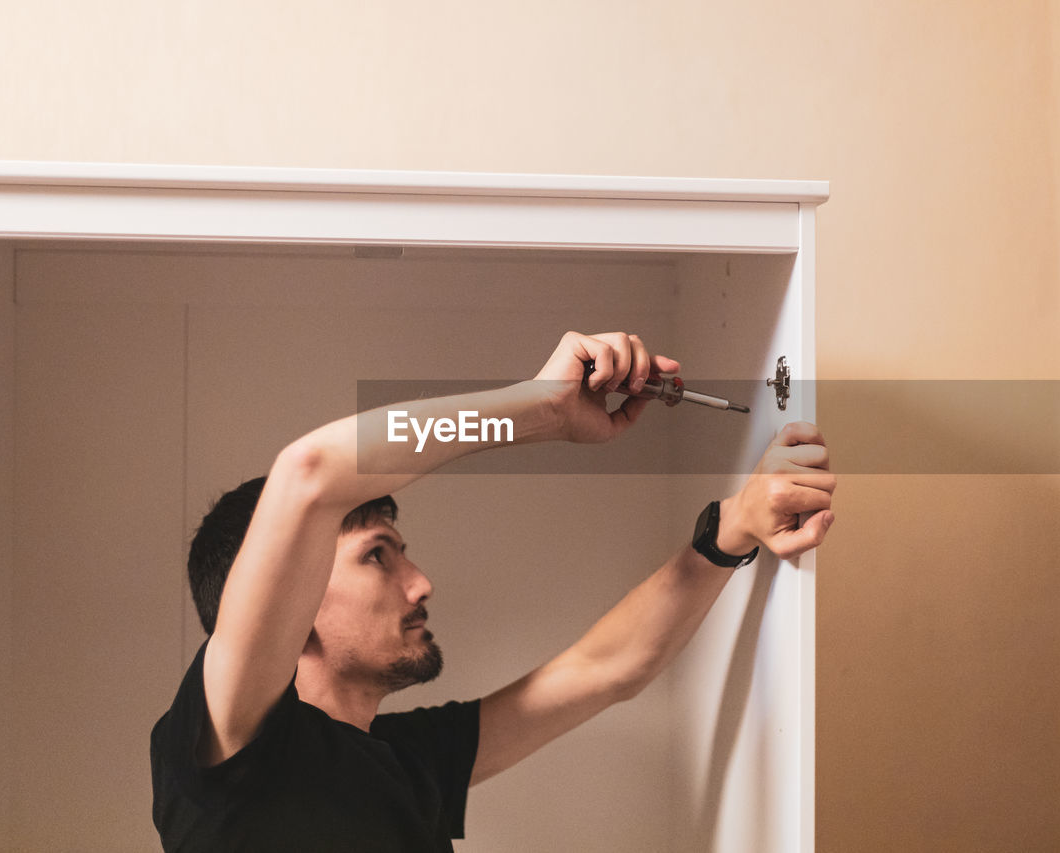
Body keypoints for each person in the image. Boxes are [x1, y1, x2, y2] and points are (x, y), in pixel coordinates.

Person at [150, 331, 835, 852]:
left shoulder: (405, 761)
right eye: (376, 555)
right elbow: (308, 473)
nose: (420, 582)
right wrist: (540, 409)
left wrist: (733, 528)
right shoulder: (226, 746)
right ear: (287, 597)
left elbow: (604, 669)